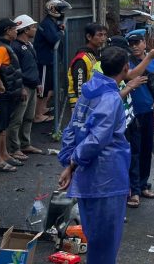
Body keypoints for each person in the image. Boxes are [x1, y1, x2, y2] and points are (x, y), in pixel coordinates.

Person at [58, 46, 132, 264]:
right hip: (107, 176)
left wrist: (70, 162)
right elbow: (97, 139)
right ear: (126, 68)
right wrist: (72, 163)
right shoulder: (111, 98)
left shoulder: (89, 90)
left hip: (85, 175)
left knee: (94, 235)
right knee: (106, 242)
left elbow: (72, 128)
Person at [126, 29, 154, 203]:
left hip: (148, 112)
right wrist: (148, 58)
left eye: (138, 43)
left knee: (146, 150)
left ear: (144, 42)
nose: (135, 47)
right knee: (134, 151)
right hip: (131, 114)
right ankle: (133, 189)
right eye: (131, 44)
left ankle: (143, 185)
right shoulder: (127, 62)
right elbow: (131, 75)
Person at [0, 18, 23, 172]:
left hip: (8, 92)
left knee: (3, 126)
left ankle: (5, 155)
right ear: (8, 31)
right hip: (2, 93)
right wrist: (0, 84)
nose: (16, 31)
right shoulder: (1, 48)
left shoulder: (3, 45)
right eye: (14, 29)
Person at [7, 15, 43, 161]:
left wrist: (39, 82)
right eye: (32, 27)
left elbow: (34, 65)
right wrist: (21, 86)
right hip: (24, 87)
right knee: (17, 119)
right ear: (25, 29)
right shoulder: (15, 47)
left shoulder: (29, 45)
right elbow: (15, 69)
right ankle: (13, 148)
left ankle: (25, 143)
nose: (35, 29)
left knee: (29, 117)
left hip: (33, 85)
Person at [32, 0, 70, 123]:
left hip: (49, 60)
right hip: (44, 61)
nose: (62, 12)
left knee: (48, 86)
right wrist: (61, 32)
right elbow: (54, 39)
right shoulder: (46, 23)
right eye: (60, 9)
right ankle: (37, 115)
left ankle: (42, 109)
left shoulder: (51, 22)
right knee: (42, 88)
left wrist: (59, 28)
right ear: (53, 9)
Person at [67, 23, 108, 107]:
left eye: (105, 35)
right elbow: (79, 86)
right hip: (80, 105)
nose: (103, 38)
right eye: (100, 35)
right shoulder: (82, 59)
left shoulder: (94, 55)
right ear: (89, 37)